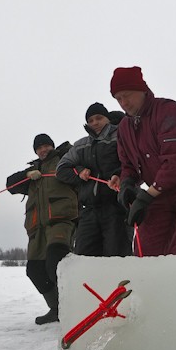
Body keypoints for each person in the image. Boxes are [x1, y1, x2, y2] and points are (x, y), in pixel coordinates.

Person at [110, 66, 176, 256]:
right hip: (158, 192)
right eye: (118, 98)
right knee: (147, 248)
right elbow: (129, 165)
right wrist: (126, 182)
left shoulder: (168, 110)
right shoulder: (124, 128)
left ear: (142, 90)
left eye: (127, 95)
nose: (123, 103)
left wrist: (146, 196)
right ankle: (152, 284)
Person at [6, 133, 78, 324]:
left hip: (60, 221)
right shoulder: (33, 171)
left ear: (52, 146)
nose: (43, 150)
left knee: (56, 261)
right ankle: (56, 309)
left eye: (46, 146)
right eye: (39, 148)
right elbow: (10, 184)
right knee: (35, 270)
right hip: (37, 229)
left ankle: (74, 306)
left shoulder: (65, 160)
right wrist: (27, 175)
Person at [56, 102, 132, 256]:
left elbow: (134, 163)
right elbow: (61, 169)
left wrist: (119, 175)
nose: (95, 123)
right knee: (83, 258)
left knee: (116, 258)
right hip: (89, 212)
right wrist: (79, 171)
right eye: (90, 120)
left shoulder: (123, 136)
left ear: (108, 119)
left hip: (117, 208)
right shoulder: (80, 145)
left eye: (99, 118)